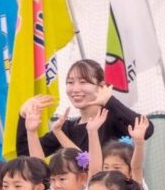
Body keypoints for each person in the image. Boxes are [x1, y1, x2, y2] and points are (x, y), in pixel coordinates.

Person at [16, 59, 154, 159]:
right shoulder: (66, 128)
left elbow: (146, 130)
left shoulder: (112, 120)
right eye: (70, 82)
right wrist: (23, 116)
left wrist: (110, 100)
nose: (75, 89)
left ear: (101, 86)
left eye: (83, 82)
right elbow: (25, 155)